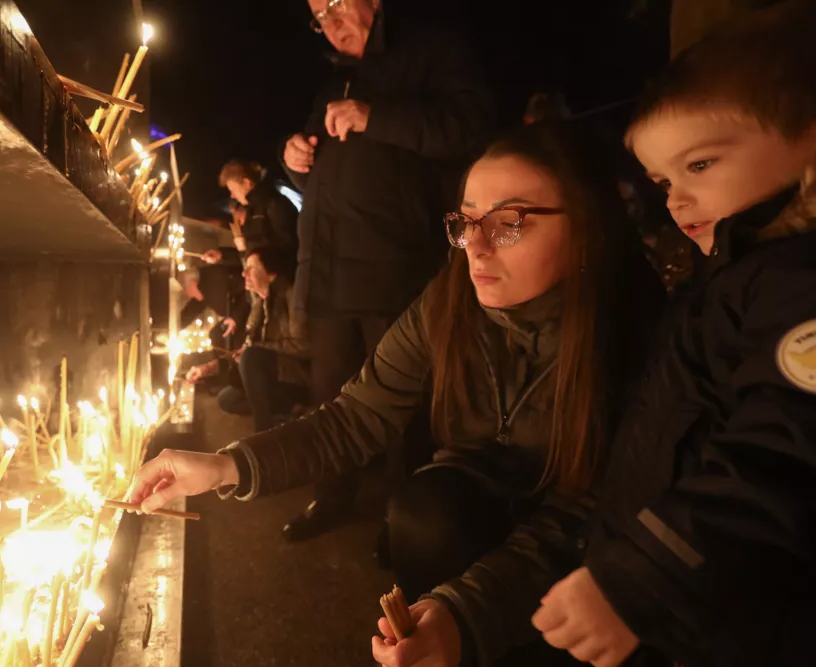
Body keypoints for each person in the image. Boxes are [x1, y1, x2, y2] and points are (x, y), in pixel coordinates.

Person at [131, 123, 664, 666]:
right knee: (424, 516)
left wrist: (466, 614)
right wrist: (226, 468)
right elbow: (357, 415)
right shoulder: (449, 299)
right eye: (468, 221)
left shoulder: (634, 329)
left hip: (588, 521)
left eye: (508, 222)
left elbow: (588, 508)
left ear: (586, 228)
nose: (475, 246)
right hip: (475, 487)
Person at [532, 4, 816, 666]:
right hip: (695, 599)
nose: (674, 200)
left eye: (701, 164)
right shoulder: (733, 274)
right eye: (662, 180)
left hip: (734, 610)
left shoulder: (797, 283)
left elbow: (782, 451)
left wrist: (643, 576)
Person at [278, 0, 493, 542]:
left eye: (333, 3)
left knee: (402, 400)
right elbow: (318, 174)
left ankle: (404, 517)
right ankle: (333, 495)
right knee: (329, 392)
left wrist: (376, 117)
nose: (327, 20)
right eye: (316, 14)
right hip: (327, 271)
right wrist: (295, 158)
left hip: (395, 263)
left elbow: (468, 126)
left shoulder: (429, 50)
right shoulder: (334, 81)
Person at [188, 246, 310, 433]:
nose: (244, 273)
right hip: (270, 377)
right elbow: (245, 349)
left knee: (252, 357)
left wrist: (258, 349)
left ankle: (263, 432)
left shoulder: (290, 296)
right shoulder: (258, 305)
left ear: (271, 274)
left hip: (292, 376)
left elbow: (303, 344)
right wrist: (207, 369)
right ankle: (289, 411)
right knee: (227, 399)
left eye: (251, 268)